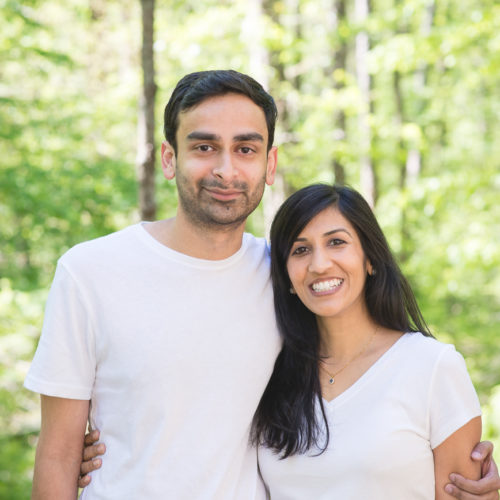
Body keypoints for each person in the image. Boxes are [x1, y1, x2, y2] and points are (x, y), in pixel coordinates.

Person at [26, 70, 499, 499]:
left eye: (246, 149)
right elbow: (59, 456)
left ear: (269, 166)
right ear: (169, 158)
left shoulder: (284, 274)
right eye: (204, 147)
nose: (227, 170)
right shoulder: (90, 271)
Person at [252, 183, 488, 499]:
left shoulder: (432, 367)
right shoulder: (269, 371)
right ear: (287, 276)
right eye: (300, 250)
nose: (319, 264)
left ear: (370, 259)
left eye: (336, 242)